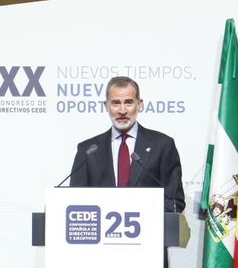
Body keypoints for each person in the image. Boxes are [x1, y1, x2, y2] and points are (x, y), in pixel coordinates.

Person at [67, 78, 184, 213]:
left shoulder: (162, 145)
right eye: (116, 103)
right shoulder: (88, 150)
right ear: (106, 106)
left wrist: (137, 212)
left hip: (147, 225)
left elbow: (174, 202)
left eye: (128, 102)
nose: (122, 110)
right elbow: (75, 201)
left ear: (139, 104)